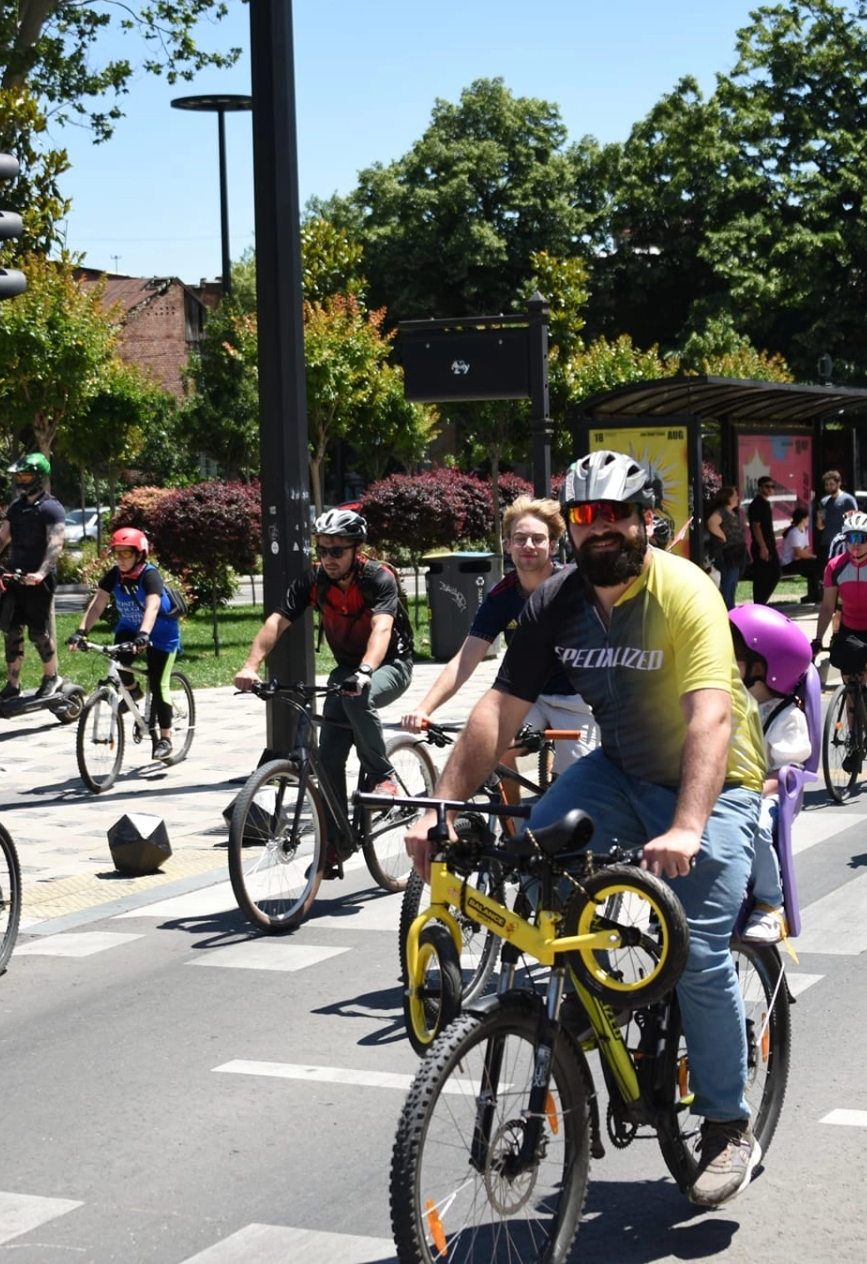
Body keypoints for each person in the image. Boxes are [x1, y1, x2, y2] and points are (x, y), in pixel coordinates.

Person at [403, 450, 770, 1208]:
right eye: (585, 516)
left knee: (698, 947)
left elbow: (711, 715)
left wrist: (688, 825)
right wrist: (440, 804)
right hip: (622, 772)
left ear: (647, 523)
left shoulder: (684, 591)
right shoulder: (556, 601)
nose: (600, 529)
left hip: (714, 784)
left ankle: (728, 1123)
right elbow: (500, 707)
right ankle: (579, 1005)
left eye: (616, 516)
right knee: (532, 846)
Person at [235, 508, 415, 869]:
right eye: (322, 549)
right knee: (329, 755)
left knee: (358, 695)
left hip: (389, 665)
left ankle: (384, 776)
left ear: (356, 549)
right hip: (345, 671)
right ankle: (338, 840)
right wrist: (251, 665)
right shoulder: (315, 581)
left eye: (337, 550)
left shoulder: (379, 578)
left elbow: (381, 629)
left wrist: (365, 671)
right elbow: (277, 620)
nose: (328, 558)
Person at [399, 497, 595, 772]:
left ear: (552, 546)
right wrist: (424, 708)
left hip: (577, 699)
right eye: (520, 538)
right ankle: (513, 816)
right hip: (525, 697)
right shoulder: (501, 597)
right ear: (507, 545)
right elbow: (464, 661)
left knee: (576, 784)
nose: (528, 545)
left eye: (538, 539)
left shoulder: (577, 586)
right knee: (495, 748)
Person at [727, 602, 812, 946]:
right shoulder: (729, 703)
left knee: (756, 823)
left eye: (735, 657)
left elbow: (785, 772)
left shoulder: (785, 716)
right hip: (728, 790)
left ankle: (768, 903)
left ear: (761, 668)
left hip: (768, 795)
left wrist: (748, 794)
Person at [69, 527, 181, 761]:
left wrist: (144, 634)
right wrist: (81, 632)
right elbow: (98, 604)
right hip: (129, 629)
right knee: (118, 665)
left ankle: (165, 738)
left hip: (160, 633)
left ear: (139, 554)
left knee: (159, 683)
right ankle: (134, 693)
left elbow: (152, 606)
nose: (120, 558)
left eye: (126, 554)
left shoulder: (150, 575)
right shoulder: (114, 575)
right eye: (117, 553)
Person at [0, 452, 67, 701]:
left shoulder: (51, 508)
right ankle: (13, 685)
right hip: (16, 577)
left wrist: (42, 573)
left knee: (37, 632)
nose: (21, 480)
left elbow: (55, 544)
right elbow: (2, 538)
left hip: (38, 579)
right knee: (12, 630)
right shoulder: (17, 507)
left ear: (39, 477)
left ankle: (51, 676)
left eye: (25, 475)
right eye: (19, 475)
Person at [814, 512, 867, 773]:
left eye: (862, 539)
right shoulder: (835, 567)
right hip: (851, 627)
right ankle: (854, 740)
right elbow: (828, 607)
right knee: (852, 681)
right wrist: (818, 639)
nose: (856, 544)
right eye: (851, 538)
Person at [812, 470, 859, 601]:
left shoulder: (847, 500)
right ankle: (828, 597)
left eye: (831, 484)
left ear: (838, 483)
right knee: (826, 571)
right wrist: (819, 519)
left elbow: (854, 519)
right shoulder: (824, 501)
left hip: (842, 542)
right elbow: (820, 526)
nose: (828, 487)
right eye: (826, 484)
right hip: (826, 541)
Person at [704, 485, 748, 609]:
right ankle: (728, 610)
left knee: (732, 583)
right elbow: (712, 523)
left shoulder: (731, 512)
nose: (737, 498)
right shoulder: (721, 511)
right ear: (727, 498)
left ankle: (730, 608)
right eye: (734, 495)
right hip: (727, 553)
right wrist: (722, 536)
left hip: (736, 553)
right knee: (728, 583)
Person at [746, 475, 781, 605]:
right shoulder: (757, 503)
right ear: (760, 488)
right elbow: (756, 526)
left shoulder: (765, 503)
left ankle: (761, 603)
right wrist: (763, 546)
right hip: (762, 545)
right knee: (766, 575)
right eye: (767, 486)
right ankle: (759, 603)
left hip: (768, 544)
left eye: (772, 486)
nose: (770, 489)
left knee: (773, 574)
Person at [775, 505, 816, 601]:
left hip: (798, 561)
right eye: (807, 518)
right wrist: (812, 556)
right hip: (788, 564)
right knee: (815, 564)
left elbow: (804, 549)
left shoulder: (804, 531)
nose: (808, 520)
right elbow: (799, 553)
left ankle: (815, 596)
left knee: (815, 569)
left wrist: (801, 554)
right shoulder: (793, 532)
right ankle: (816, 597)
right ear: (802, 519)